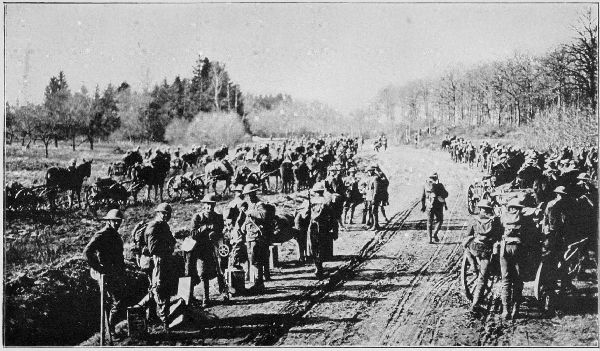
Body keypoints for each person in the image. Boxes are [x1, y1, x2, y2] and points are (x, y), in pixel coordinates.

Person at [83, 209, 127, 338]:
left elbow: (119, 256)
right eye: (114, 221)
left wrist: (121, 270)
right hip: (104, 273)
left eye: (119, 222)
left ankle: (110, 328)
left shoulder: (115, 235)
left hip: (114, 272)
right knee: (113, 301)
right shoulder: (101, 234)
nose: (117, 224)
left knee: (117, 301)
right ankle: (110, 331)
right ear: (108, 221)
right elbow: (87, 253)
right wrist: (98, 267)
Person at [187, 194, 229, 307]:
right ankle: (206, 299)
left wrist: (215, 233)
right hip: (202, 249)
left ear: (214, 205)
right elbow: (193, 234)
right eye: (207, 205)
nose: (209, 207)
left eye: (212, 205)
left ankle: (224, 293)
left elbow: (221, 230)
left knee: (221, 270)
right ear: (204, 205)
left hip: (215, 247)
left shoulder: (218, 217)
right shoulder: (197, 218)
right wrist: (204, 228)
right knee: (203, 273)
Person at [541, 186, 576, 313]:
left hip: (551, 240)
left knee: (551, 269)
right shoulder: (560, 207)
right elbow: (563, 224)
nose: (561, 196)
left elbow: (545, 220)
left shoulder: (552, 204)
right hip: (556, 240)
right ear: (558, 194)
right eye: (561, 194)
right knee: (557, 268)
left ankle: (550, 300)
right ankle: (555, 300)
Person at [464, 199, 502, 314]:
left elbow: (468, 234)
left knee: (465, 244)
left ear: (480, 208)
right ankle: (475, 304)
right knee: (482, 278)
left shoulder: (474, 219)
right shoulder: (494, 221)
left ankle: (472, 264)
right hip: (487, 251)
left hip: (475, 248)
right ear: (490, 209)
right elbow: (498, 236)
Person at [144, 203, 176, 331]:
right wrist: (168, 247)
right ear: (158, 213)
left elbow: (172, 240)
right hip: (158, 261)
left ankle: (159, 317)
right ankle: (163, 320)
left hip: (165, 259)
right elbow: (153, 249)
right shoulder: (154, 226)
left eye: (168, 214)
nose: (166, 216)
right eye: (163, 213)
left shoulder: (164, 225)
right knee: (159, 287)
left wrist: (170, 246)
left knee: (165, 287)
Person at [239, 184, 273, 292]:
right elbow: (248, 219)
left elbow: (264, 215)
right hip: (250, 236)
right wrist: (243, 226)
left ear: (254, 193)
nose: (248, 196)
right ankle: (257, 282)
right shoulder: (250, 204)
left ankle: (259, 283)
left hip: (257, 237)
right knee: (252, 260)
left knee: (256, 260)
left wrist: (250, 212)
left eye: (250, 194)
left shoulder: (259, 204)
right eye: (247, 195)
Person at [499, 198, 527, 319]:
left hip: (505, 248)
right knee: (518, 279)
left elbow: (498, 230)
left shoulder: (503, 216)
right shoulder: (524, 218)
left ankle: (505, 310)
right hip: (518, 248)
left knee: (505, 280)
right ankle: (516, 309)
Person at [421, 172, 448, 243]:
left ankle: (429, 239)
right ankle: (435, 234)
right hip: (438, 206)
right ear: (436, 178)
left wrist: (423, 206)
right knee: (440, 220)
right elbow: (446, 194)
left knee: (429, 222)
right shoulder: (439, 185)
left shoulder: (425, 185)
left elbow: (422, 197)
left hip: (429, 206)